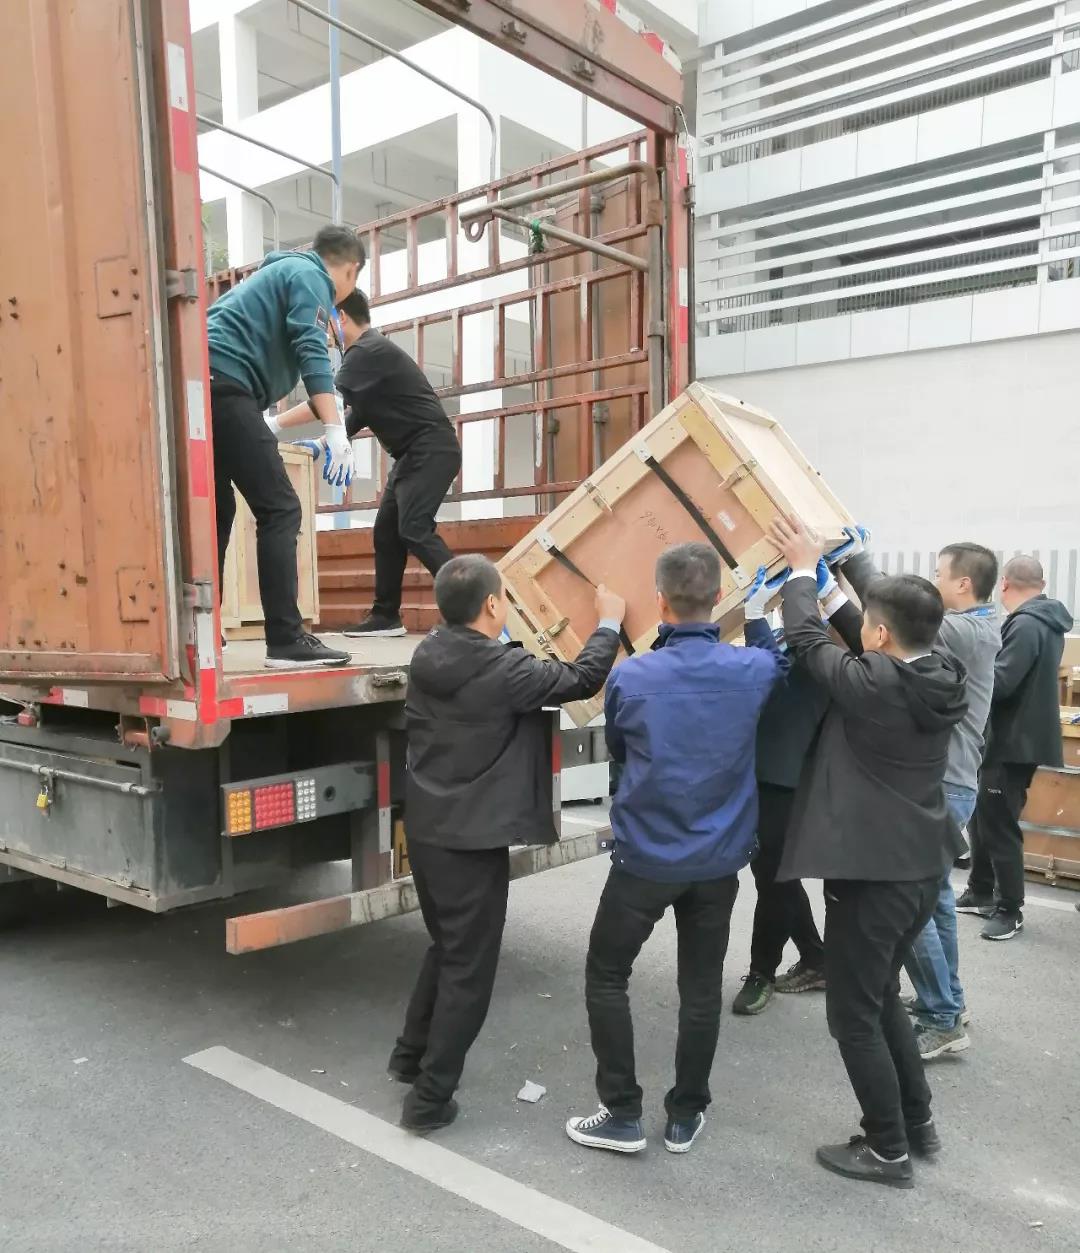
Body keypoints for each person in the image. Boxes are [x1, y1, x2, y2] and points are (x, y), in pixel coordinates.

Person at [565, 543, 787, 1156]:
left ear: (659, 601)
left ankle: (621, 1113)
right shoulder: (751, 670)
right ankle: (686, 1114)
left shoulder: (632, 676)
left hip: (644, 858)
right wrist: (759, 611)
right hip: (718, 862)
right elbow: (777, 659)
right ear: (718, 598)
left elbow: (619, 750)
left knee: (607, 974)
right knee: (701, 988)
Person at [390, 555, 624, 1133]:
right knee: (468, 969)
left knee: (447, 946)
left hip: (429, 830)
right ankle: (428, 1100)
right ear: (493, 604)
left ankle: (410, 1057)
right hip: (472, 841)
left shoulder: (427, 653)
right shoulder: (504, 671)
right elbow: (582, 679)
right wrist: (610, 622)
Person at [770, 516, 967, 1189]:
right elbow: (869, 639)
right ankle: (916, 1121)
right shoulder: (939, 670)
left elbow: (806, 642)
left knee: (852, 1013)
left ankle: (887, 1149)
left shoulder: (875, 683)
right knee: (880, 993)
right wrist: (833, 584)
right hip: (921, 865)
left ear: (882, 637)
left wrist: (802, 572)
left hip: (874, 874)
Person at [841, 538, 1000, 1060]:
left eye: (938, 574)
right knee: (936, 904)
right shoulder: (980, 624)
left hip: (945, 784)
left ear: (963, 584)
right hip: (955, 781)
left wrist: (848, 561)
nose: (932, 583)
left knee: (915, 911)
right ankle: (949, 1000)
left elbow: (896, 609)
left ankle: (941, 1017)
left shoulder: (961, 631)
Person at [207, 225, 364, 669]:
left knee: (217, 511)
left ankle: (201, 630)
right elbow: (310, 350)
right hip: (226, 386)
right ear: (351, 270)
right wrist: (336, 431)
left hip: (205, 386)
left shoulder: (276, 277)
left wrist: (276, 423)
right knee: (280, 507)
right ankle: (286, 640)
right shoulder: (311, 276)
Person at [732, 560, 865, 1017]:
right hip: (767, 775)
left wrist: (754, 620)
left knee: (774, 879)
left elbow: (776, 678)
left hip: (786, 782)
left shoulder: (827, 657)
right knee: (775, 877)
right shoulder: (810, 645)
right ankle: (814, 955)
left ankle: (762, 972)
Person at [956, 555, 1073, 940]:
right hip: (1007, 740)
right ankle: (980, 890)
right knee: (981, 817)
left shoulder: (1026, 624)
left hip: (1012, 743)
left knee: (999, 825)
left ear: (1004, 584)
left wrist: (966, 669)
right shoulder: (1043, 621)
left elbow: (1002, 682)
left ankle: (1010, 908)